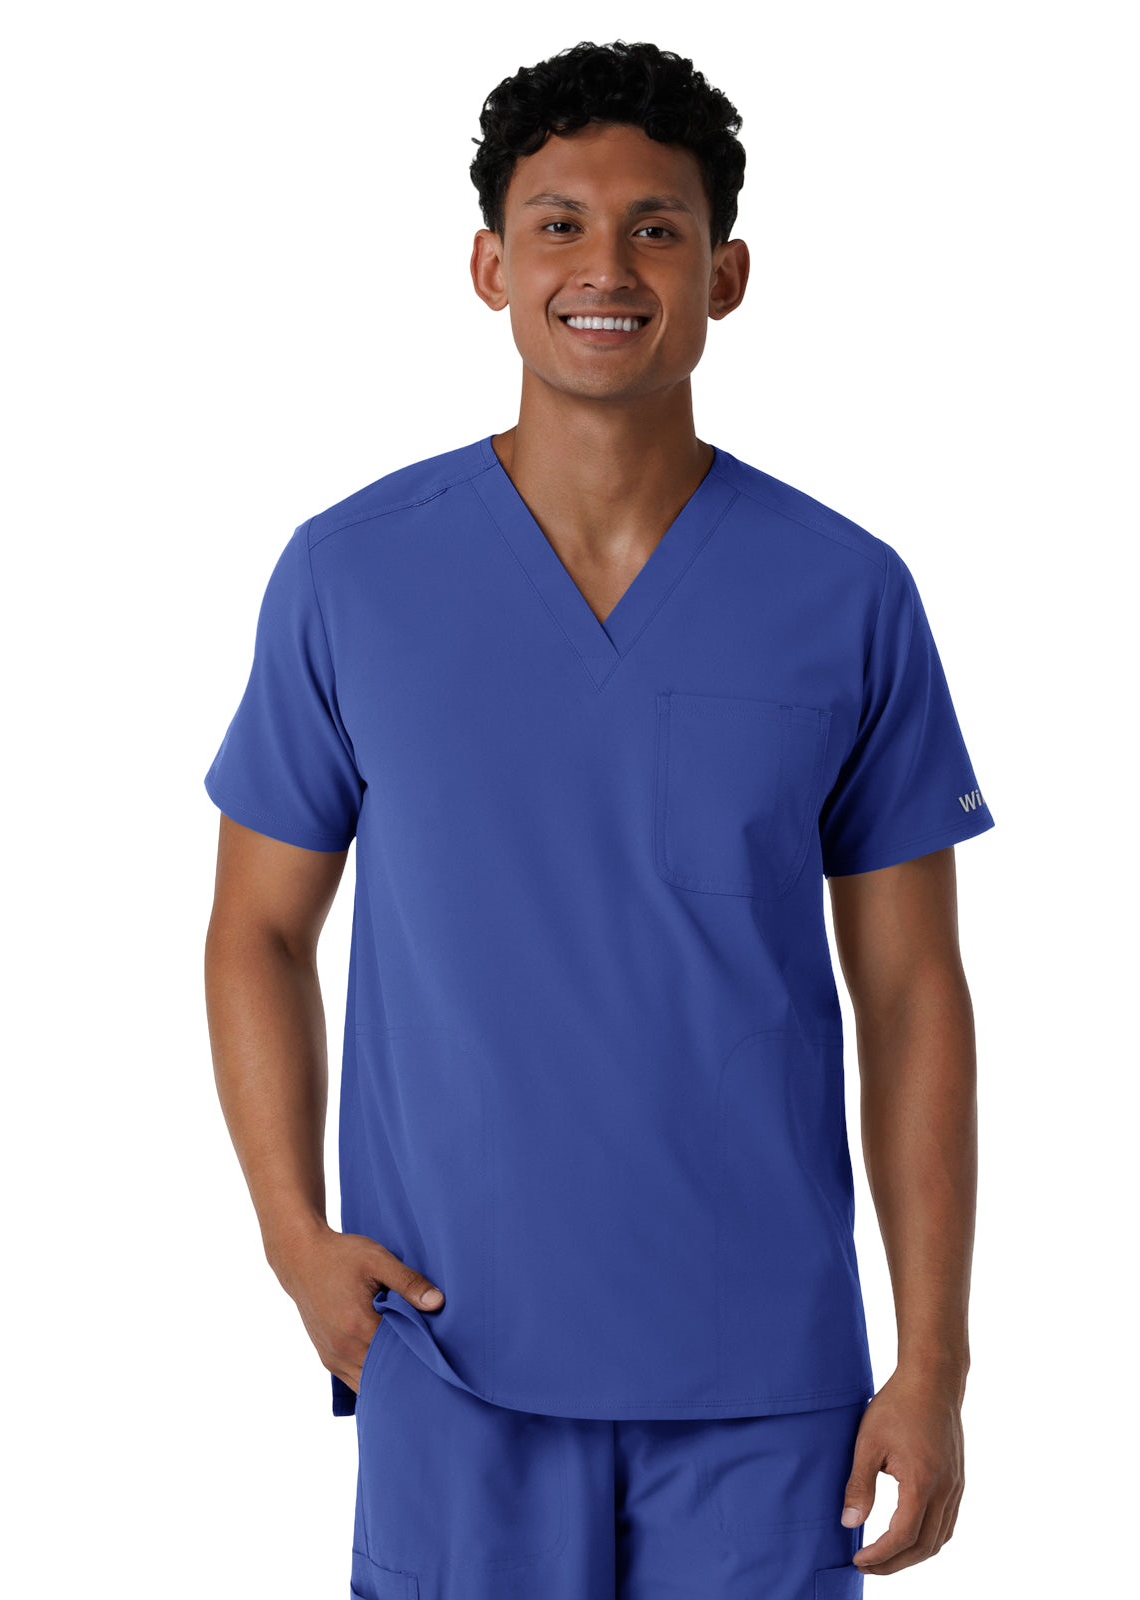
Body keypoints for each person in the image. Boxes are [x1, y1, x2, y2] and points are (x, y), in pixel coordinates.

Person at [203, 38, 994, 1600]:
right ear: (491, 266)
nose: (607, 268)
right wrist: (295, 1238)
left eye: (657, 228)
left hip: (768, 1383)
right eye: (559, 223)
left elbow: (913, 991)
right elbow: (257, 929)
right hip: (453, 1351)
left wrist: (935, 1362)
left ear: (726, 274)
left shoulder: (845, 594)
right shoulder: (352, 575)